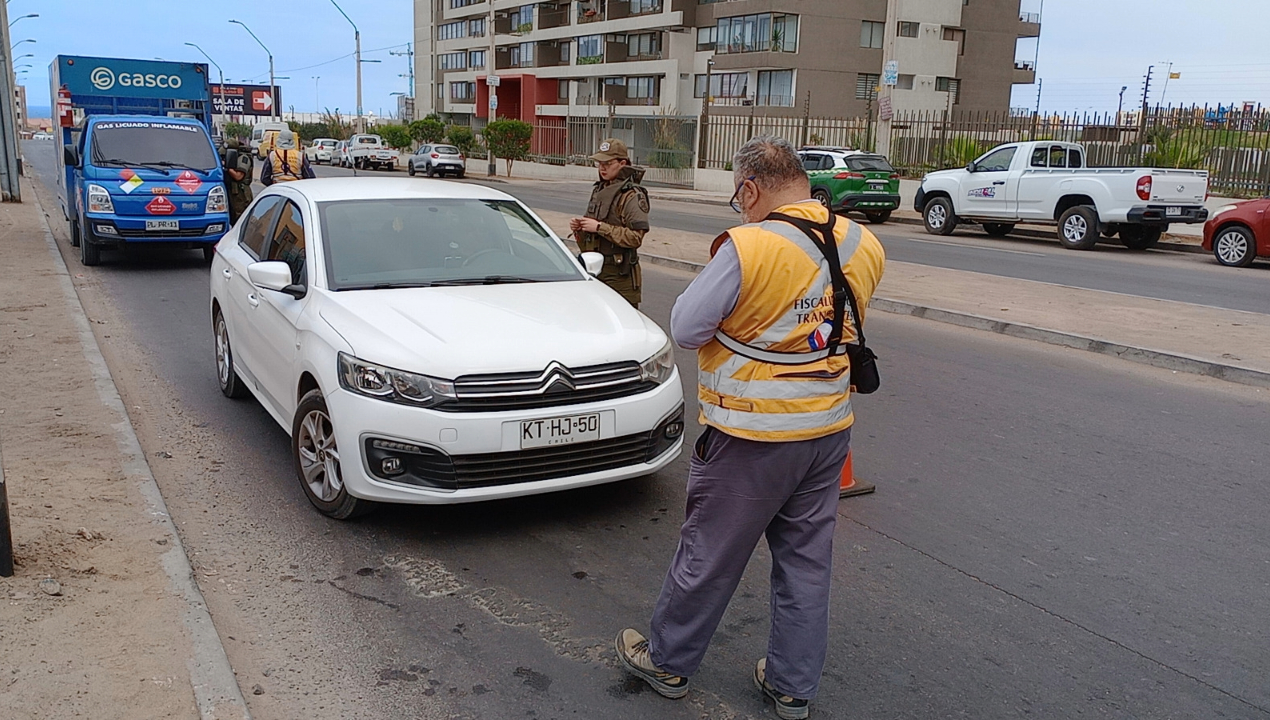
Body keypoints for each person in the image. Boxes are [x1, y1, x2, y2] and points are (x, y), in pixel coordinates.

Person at [614, 136, 886, 720]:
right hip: (827, 434)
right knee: (806, 564)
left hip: (751, 434)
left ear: (750, 188)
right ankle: (791, 687)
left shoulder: (751, 245)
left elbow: (687, 328)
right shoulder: (862, 241)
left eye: (740, 199)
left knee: (708, 555)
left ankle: (667, 661)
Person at [568, 138, 649, 308]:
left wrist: (599, 227)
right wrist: (580, 228)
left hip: (620, 277)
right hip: (595, 270)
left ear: (622, 163)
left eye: (608, 163)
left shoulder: (632, 196)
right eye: (600, 163)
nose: (602, 168)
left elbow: (635, 238)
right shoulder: (600, 190)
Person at [221, 137, 253, 225]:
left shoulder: (243, 158)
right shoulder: (233, 157)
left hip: (241, 194)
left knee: (240, 218)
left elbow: (238, 176)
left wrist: (227, 167)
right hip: (233, 192)